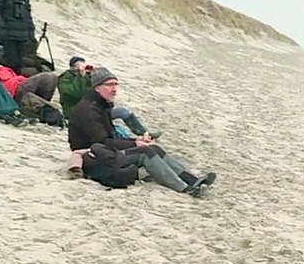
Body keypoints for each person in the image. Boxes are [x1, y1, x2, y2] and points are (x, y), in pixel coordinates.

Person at [67, 67, 215, 196]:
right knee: (145, 152)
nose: (115, 89)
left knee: (153, 148)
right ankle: (184, 188)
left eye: (116, 84)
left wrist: (135, 141)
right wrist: (135, 143)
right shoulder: (88, 110)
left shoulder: (99, 105)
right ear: (97, 88)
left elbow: (109, 138)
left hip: (104, 152)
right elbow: (101, 142)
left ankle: (191, 179)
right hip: (93, 157)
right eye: (110, 85)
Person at [57, 55, 159, 138]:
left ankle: (144, 134)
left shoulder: (88, 76)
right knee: (111, 128)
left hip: (94, 109)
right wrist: (80, 76)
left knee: (122, 112)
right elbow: (74, 93)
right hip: (76, 113)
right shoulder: (65, 78)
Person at [0, 50, 66, 127]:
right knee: (48, 77)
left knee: (50, 78)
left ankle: (40, 107)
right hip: (13, 91)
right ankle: (40, 108)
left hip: (19, 84)